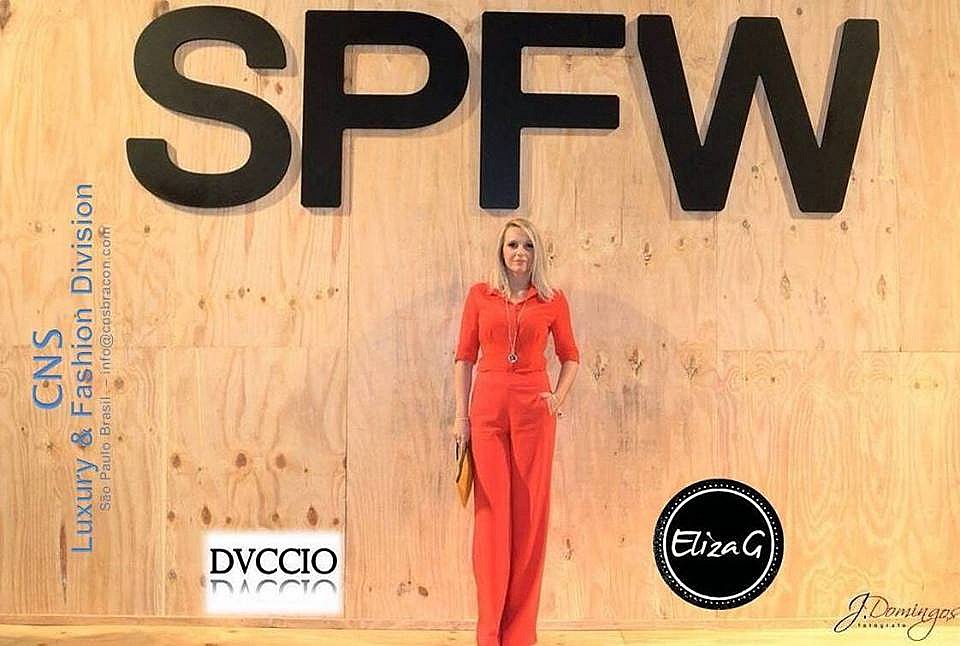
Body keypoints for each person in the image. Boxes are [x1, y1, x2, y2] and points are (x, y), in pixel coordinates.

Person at [452, 217, 580, 646]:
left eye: (527, 245)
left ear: (537, 252)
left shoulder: (552, 300)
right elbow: (464, 358)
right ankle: (489, 632)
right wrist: (460, 418)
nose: (520, 252)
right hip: (486, 413)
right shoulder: (480, 295)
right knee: (491, 520)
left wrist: (557, 397)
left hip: (533, 414)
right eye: (512, 245)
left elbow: (571, 356)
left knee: (529, 520)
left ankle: (520, 634)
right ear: (501, 251)